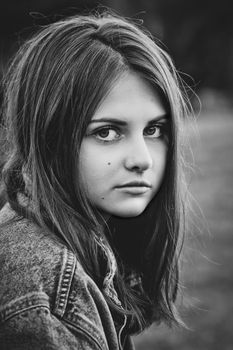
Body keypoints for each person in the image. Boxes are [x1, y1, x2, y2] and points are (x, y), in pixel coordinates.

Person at [0, 10, 191, 350]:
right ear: (49, 136)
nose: (142, 160)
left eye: (153, 130)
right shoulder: (41, 288)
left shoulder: (81, 238)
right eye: (106, 132)